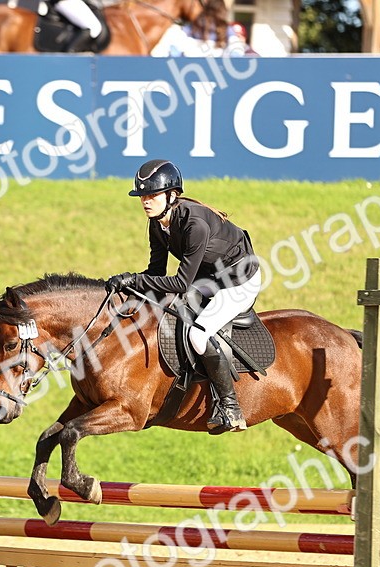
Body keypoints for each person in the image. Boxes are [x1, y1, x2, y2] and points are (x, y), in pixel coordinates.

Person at [105, 159, 263, 433]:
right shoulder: (157, 224)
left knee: (198, 335)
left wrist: (135, 278)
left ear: (171, 195)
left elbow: (179, 282)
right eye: (142, 196)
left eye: (152, 195)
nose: (145, 201)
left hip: (238, 281)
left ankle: (230, 406)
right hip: (209, 278)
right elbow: (155, 272)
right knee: (165, 312)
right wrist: (130, 286)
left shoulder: (195, 224)